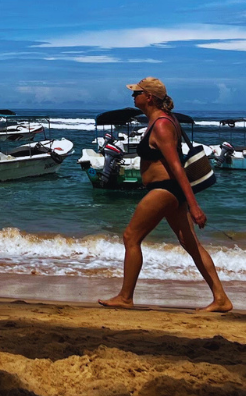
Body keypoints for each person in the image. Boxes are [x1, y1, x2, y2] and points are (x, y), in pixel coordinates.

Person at [99, 77, 232, 313]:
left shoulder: (161, 124)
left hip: (165, 189)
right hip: (169, 190)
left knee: (131, 237)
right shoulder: (161, 121)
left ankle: (126, 297)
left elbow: (176, 166)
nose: (133, 96)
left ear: (149, 97)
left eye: (137, 92)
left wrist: (194, 206)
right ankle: (221, 298)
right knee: (189, 243)